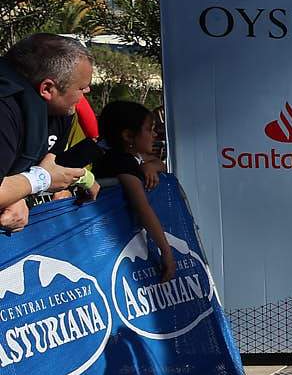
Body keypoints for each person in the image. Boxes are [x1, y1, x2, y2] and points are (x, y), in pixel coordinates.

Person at [0, 34, 94, 232]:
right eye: (81, 87)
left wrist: (17, 195)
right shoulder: (5, 109)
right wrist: (39, 181)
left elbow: (51, 165)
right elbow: (44, 175)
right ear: (48, 88)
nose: (88, 90)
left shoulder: (61, 111)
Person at [92, 100, 177, 280]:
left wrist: (150, 166)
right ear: (129, 136)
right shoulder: (120, 162)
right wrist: (166, 250)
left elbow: (160, 164)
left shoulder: (128, 157)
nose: (154, 134)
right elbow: (142, 206)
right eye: (149, 129)